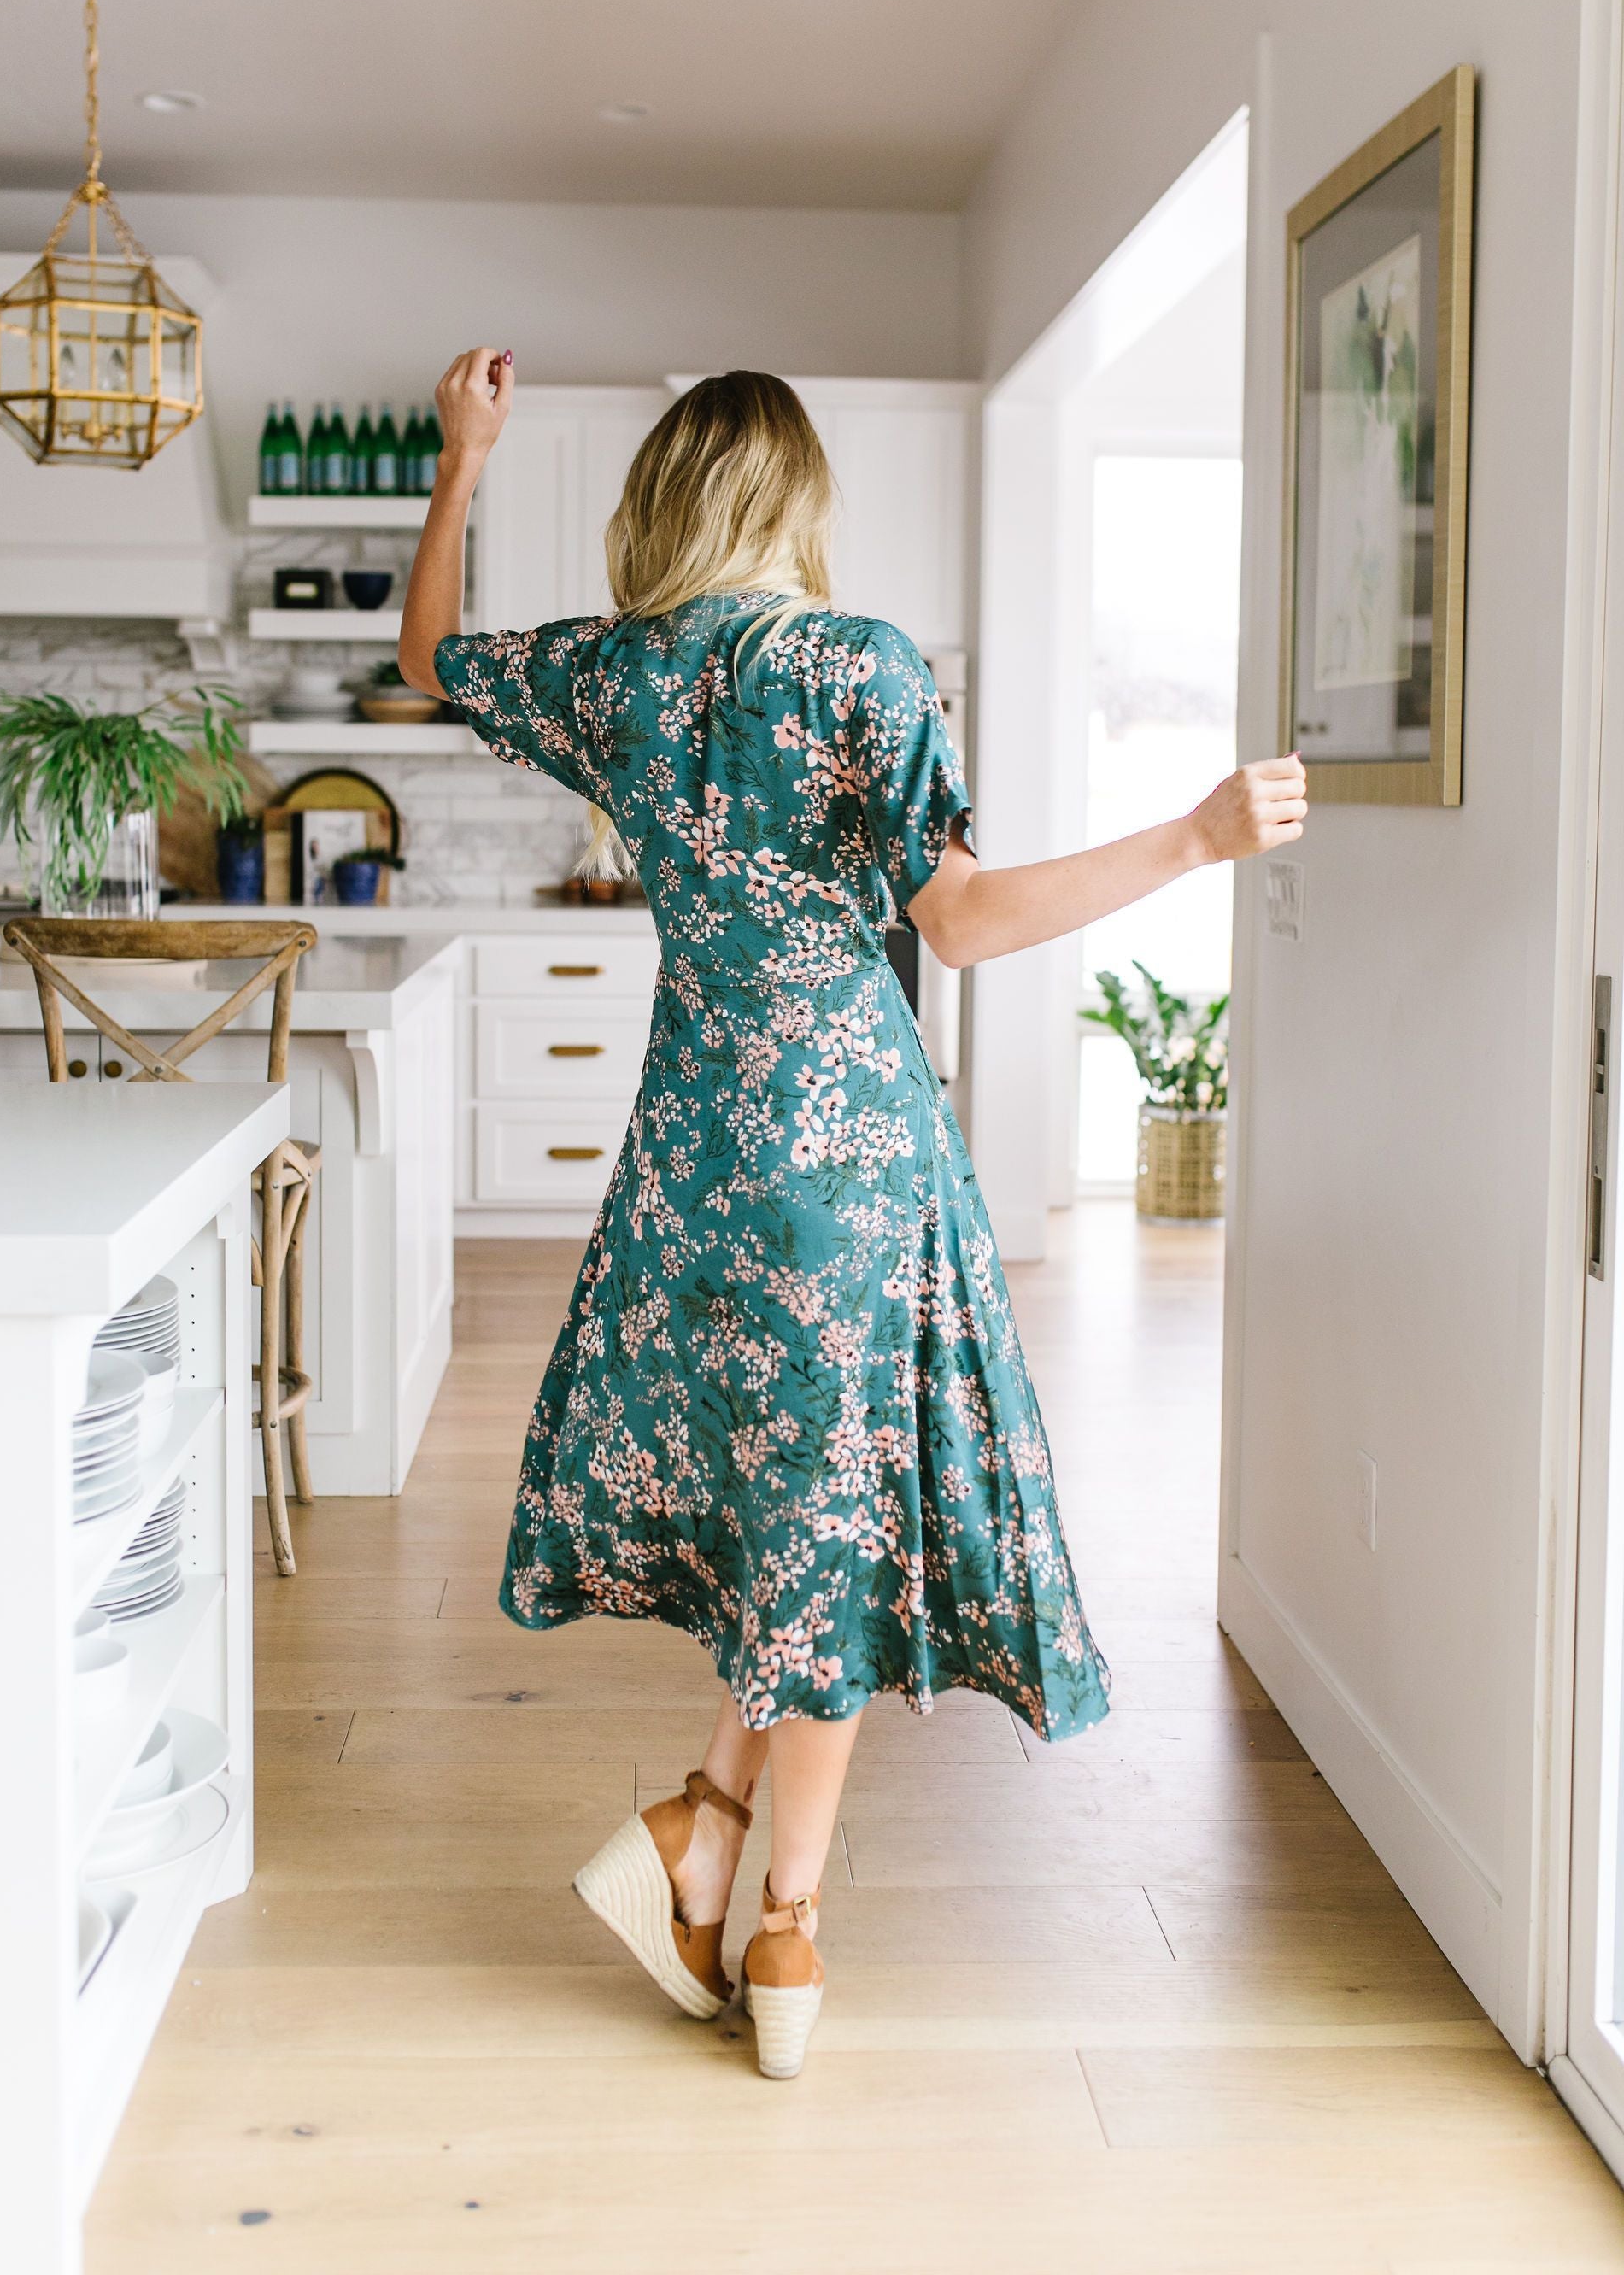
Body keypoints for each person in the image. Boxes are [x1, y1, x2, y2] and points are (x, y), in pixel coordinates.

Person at [401, 349, 1306, 2079]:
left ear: (662, 501)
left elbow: (425, 651)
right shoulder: (854, 665)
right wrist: (1190, 840)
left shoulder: (610, 675)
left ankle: (705, 1837)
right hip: (846, 1147)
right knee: (833, 1526)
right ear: (796, 502)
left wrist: (464, 458)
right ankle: (786, 1925)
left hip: (691, 1149)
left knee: (793, 1519)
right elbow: (955, 927)